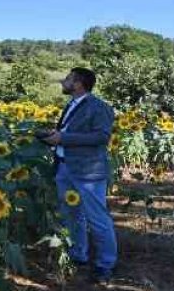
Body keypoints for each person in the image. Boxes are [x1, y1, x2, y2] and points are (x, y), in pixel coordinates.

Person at [41, 67, 118, 285]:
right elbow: (72, 133)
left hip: (88, 171)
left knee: (98, 219)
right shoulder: (73, 104)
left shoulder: (98, 106)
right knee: (72, 215)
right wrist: (52, 137)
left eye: (68, 79)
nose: (63, 82)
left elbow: (101, 136)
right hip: (66, 167)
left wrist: (63, 139)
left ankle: (105, 265)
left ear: (79, 84)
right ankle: (79, 255)